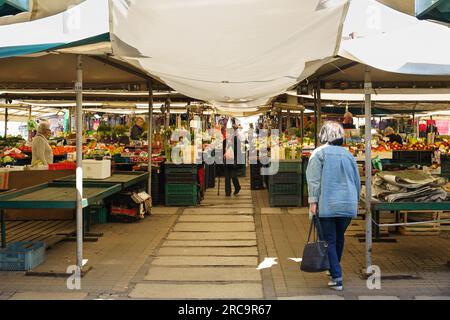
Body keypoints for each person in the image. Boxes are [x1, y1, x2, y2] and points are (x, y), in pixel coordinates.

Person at [306, 121, 360, 291]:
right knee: (338, 238)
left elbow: (313, 181)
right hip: (347, 204)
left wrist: (313, 202)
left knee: (328, 240)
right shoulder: (348, 155)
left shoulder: (319, 154)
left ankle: (337, 277)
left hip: (327, 203)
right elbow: (357, 181)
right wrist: (356, 201)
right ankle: (333, 269)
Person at [223, 122, 242, 197]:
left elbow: (238, 150)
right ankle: (228, 192)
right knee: (227, 177)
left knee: (233, 176)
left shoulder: (236, 139)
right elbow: (222, 150)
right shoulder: (224, 141)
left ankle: (237, 187)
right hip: (226, 160)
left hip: (234, 160)